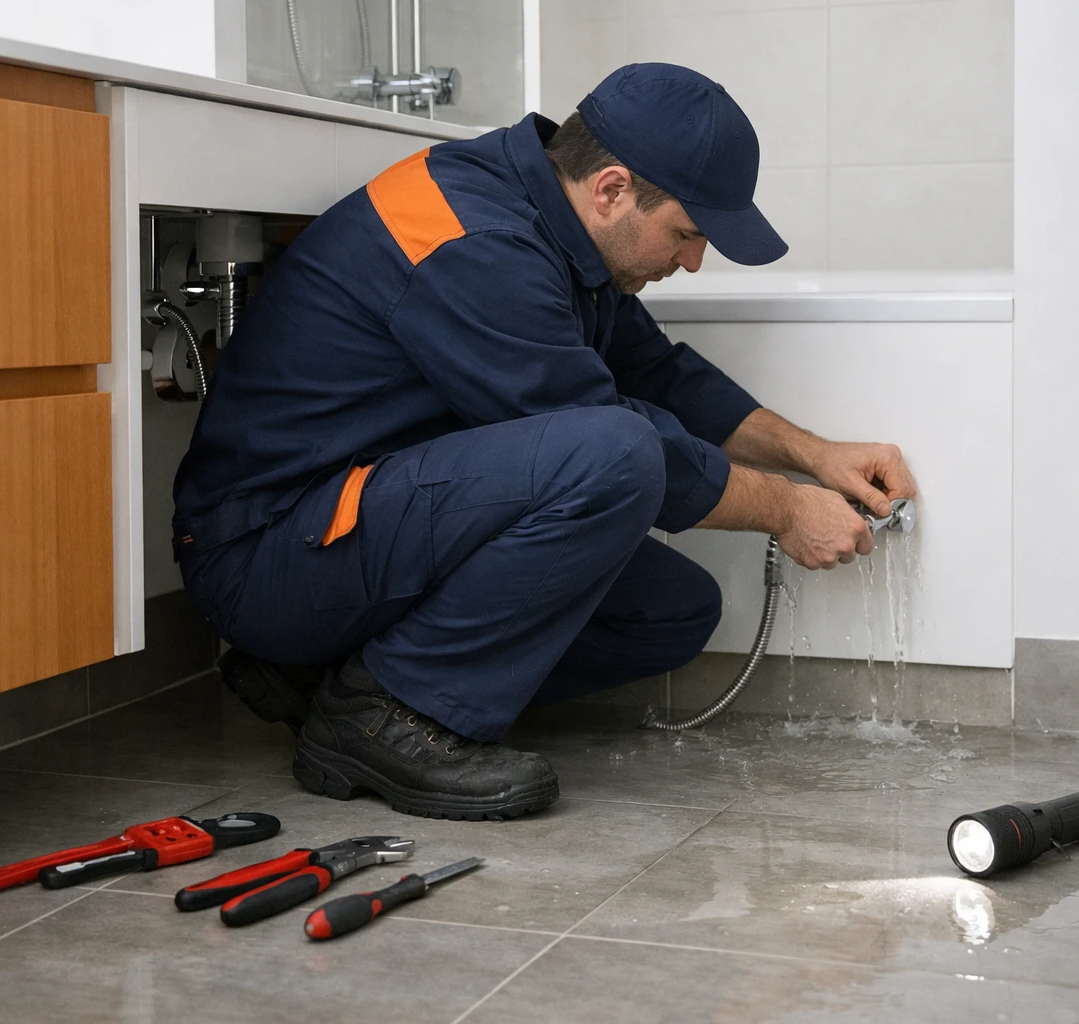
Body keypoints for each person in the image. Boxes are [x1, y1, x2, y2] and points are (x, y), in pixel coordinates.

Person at [172, 64, 917, 821]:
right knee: (616, 453)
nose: (693, 261)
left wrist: (813, 454)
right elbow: (622, 445)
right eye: (688, 234)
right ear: (613, 190)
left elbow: (659, 374)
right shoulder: (474, 240)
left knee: (671, 611)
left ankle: (324, 679)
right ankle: (390, 715)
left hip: (361, 523)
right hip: (270, 549)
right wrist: (787, 511)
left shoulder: (552, 219)